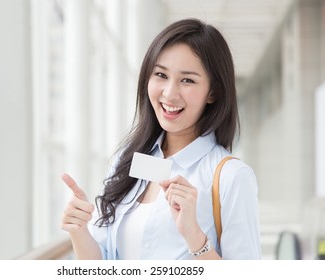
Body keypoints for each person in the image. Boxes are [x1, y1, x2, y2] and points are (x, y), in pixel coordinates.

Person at [61, 18, 261, 260]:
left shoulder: (232, 176)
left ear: (213, 92)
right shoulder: (129, 162)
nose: (169, 93)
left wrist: (195, 237)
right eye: (160, 75)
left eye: (187, 80)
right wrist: (79, 230)